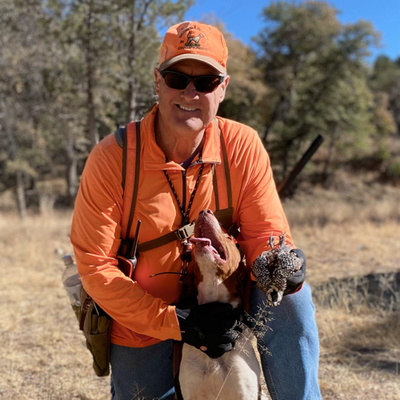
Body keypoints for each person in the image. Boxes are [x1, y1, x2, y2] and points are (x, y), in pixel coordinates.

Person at [70, 21, 321, 400]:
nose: (190, 92)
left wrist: (280, 263)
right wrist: (179, 323)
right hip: (144, 318)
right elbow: (96, 268)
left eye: (205, 81)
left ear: (223, 88)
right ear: (158, 82)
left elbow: (263, 237)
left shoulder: (242, 145)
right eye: (177, 77)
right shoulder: (113, 158)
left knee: (290, 298)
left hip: (229, 302)